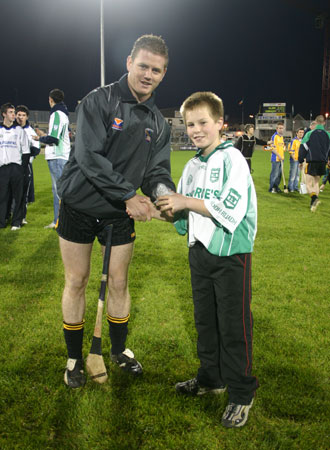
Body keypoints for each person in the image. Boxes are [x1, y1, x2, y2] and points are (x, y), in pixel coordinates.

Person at [56, 34, 175, 388]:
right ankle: (75, 358)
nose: (148, 74)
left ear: (163, 73)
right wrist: (127, 195)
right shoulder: (98, 100)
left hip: (119, 212)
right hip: (79, 204)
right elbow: (88, 157)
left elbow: (156, 171)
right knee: (76, 281)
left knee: (120, 283)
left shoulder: (160, 123)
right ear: (128, 63)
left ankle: (120, 351)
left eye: (156, 70)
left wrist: (164, 195)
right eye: (143, 66)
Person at [154, 92, 258, 428]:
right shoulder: (193, 164)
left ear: (219, 123)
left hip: (230, 254)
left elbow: (230, 210)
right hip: (199, 252)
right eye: (190, 124)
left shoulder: (233, 160)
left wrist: (183, 200)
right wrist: (152, 210)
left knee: (233, 325)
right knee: (205, 322)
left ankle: (242, 393)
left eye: (202, 122)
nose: (196, 129)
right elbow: (181, 211)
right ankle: (211, 378)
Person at [33, 89, 70, 228]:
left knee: (58, 191)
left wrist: (40, 137)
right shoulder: (64, 114)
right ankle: (61, 221)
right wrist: (44, 135)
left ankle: (59, 222)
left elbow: (53, 139)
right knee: (61, 190)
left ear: (50, 99)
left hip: (57, 156)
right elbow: (65, 134)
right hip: (62, 155)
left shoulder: (56, 114)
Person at [0, 103, 30, 230]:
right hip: (3, 168)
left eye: (14, 112)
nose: (14, 114)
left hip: (16, 167)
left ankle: (16, 222)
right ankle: (2, 221)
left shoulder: (20, 131)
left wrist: (22, 170)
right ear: (4, 114)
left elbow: (26, 151)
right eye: (11, 112)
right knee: (2, 196)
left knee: (18, 196)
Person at [299, 115, 330, 212]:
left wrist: (300, 160)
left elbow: (303, 147)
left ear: (316, 122)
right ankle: (313, 204)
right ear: (324, 123)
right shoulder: (328, 135)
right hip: (322, 162)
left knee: (308, 183)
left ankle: (313, 198)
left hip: (311, 161)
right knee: (316, 183)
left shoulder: (309, 134)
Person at [16, 105, 40, 223]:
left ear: (27, 117)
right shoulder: (10, 129)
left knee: (23, 192)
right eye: (19, 115)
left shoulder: (30, 131)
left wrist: (24, 153)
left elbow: (36, 149)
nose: (20, 117)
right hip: (10, 165)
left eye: (23, 115)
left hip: (25, 166)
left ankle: (22, 216)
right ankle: (8, 214)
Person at [268, 122, 286, 193]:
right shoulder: (274, 136)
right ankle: (271, 188)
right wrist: (279, 155)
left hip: (281, 158)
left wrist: (283, 150)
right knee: (274, 174)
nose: (281, 129)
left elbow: (282, 147)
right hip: (275, 158)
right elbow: (272, 148)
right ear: (277, 128)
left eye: (282, 128)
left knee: (279, 175)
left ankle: (276, 187)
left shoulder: (281, 137)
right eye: (280, 128)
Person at [287, 128, 304, 192]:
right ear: (297, 133)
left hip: (300, 160)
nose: (301, 134)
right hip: (294, 160)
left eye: (302, 132)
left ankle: (295, 187)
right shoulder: (293, 141)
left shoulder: (303, 141)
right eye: (300, 132)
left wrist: (302, 160)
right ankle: (290, 187)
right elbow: (291, 151)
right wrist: (294, 159)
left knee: (297, 175)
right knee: (293, 174)